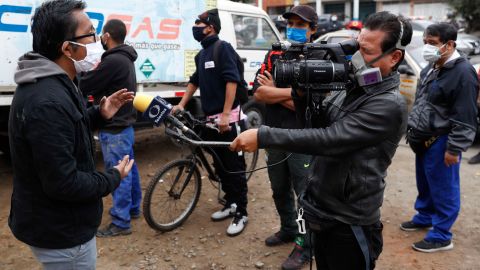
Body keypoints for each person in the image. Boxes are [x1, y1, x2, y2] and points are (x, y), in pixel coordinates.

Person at [231, 11, 412, 269]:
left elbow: (329, 139)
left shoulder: (388, 104)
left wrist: (262, 135)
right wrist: (302, 91)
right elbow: (314, 123)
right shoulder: (353, 86)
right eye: (355, 47)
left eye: (366, 51)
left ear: (394, 57)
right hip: (324, 205)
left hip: (350, 219)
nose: (356, 57)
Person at [8, 0, 135, 269]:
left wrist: (99, 114)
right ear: (67, 48)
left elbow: (67, 129)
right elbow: (64, 183)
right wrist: (113, 176)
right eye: (89, 33)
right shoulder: (47, 100)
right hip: (63, 234)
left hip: (60, 225)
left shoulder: (56, 82)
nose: (97, 39)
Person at [401, 23, 478, 252]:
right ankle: (424, 216)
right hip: (423, 138)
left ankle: (442, 235)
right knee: (426, 183)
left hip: (443, 140)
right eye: (425, 42)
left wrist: (454, 149)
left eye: (433, 43)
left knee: (444, 188)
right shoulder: (432, 66)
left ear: (450, 44)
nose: (427, 47)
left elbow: (465, 115)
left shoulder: (463, 73)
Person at [171, 9, 248, 236]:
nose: (195, 27)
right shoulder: (201, 54)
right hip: (211, 120)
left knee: (234, 169)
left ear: (210, 27)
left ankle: (242, 212)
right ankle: (231, 203)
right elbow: (195, 82)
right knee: (219, 166)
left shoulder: (221, 48)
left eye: (198, 23)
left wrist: (225, 115)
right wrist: (182, 105)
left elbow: (232, 81)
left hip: (228, 119)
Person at [252, 5, 316, 270]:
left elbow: (312, 105)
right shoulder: (275, 52)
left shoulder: (318, 58)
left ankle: (304, 245)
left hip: (302, 138)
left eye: (301, 25)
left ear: (313, 30)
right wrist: (289, 95)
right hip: (274, 134)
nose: (294, 29)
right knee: (279, 188)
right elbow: (258, 93)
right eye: (290, 23)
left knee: (303, 195)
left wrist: (274, 91)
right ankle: (288, 228)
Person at [79, 19, 141, 237]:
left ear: (107, 37)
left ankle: (121, 223)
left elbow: (85, 85)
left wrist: (83, 67)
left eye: (101, 36)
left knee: (118, 174)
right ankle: (133, 209)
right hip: (125, 127)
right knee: (129, 169)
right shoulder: (125, 58)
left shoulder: (113, 60)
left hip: (114, 128)